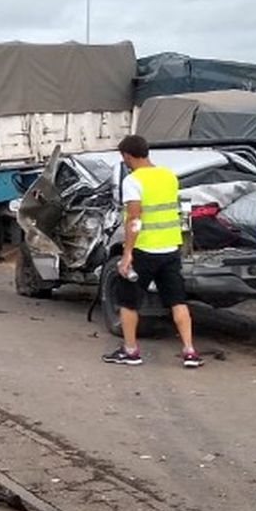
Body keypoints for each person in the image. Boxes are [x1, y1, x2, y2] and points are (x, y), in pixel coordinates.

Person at [102, 134, 202, 368]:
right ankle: (189, 351)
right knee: (178, 301)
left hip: (144, 250)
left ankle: (130, 351)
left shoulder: (133, 181)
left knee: (129, 302)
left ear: (127, 156)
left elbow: (134, 219)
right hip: (170, 248)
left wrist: (126, 255)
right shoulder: (169, 176)